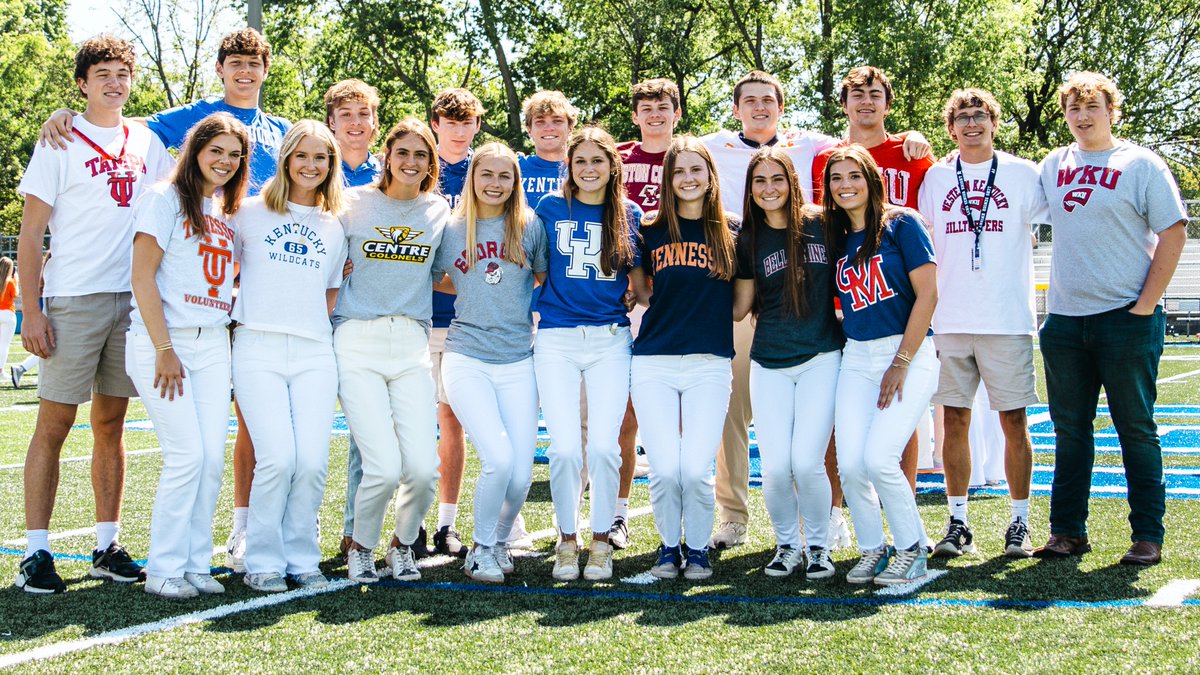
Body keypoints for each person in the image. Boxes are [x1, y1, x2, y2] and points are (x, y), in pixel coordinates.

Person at [41, 28, 294, 572]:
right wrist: (64, 113)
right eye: (236, 63)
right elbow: (114, 123)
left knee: (231, 435)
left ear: (265, 71)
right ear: (221, 69)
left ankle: (222, 542)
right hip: (153, 305)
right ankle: (112, 556)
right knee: (181, 449)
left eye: (255, 63)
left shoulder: (281, 131)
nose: (245, 71)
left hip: (236, 296)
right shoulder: (179, 127)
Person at [702, 69, 931, 549]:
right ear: (736, 107)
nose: (760, 108)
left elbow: (862, 144)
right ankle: (733, 516)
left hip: (819, 314)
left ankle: (829, 521)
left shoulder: (813, 147)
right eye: (751, 101)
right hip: (756, 302)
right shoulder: (710, 146)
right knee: (734, 417)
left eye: (769, 99)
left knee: (829, 438)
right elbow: (662, 150)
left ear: (781, 107)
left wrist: (913, 138)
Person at [14, 35, 173, 594]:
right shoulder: (60, 139)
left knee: (111, 424)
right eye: (102, 72)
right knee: (54, 426)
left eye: (122, 73)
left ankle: (107, 545)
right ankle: (35, 552)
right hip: (73, 297)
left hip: (130, 299)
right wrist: (31, 311)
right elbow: (31, 234)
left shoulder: (147, 141)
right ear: (83, 82)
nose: (114, 81)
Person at [1035, 72, 1187, 566]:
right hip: (1064, 321)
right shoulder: (1054, 163)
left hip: (1126, 318)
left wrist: (1145, 304)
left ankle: (1147, 534)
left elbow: (1174, 232)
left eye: (1092, 107)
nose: (1082, 116)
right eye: (1073, 109)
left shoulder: (1140, 163)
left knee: (1135, 429)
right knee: (1070, 430)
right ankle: (1067, 532)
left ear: (1111, 111)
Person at [917, 87, 1048, 558]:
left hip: (1007, 318)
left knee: (1014, 420)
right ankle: (958, 522)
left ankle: (1019, 522)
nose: (972, 124)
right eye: (963, 118)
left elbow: (1062, 221)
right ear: (951, 128)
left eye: (980, 116)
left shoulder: (1023, 174)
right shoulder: (934, 177)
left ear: (994, 123)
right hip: (951, 317)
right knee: (954, 420)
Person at [811, 65, 937, 546]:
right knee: (848, 449)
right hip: (854, 341)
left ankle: (909, 536)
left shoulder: (910, 168)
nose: (866, 101)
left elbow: (929, 288)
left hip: (904, 329)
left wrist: (904, 358)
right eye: (856, 94)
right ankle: (857, 533)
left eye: (875, 93)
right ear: (843, 104)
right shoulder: (833, 217)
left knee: (890, 445)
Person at [127, 113, 250, 598]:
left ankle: (197, 564)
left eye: (234, 154)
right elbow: (141, 277)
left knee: (211, 462)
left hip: (214, 341)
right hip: (166, 341)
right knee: (186, 456)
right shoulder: (163, 197)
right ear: (196, 149)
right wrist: (163, 348)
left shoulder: (223, 209)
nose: (224, 160)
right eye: (216, 149)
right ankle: (163, 569)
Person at [232, 121, 347, 592]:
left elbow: (331, 293)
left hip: (314, 351)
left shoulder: (335, 224)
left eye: (321, 158)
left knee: (313, 460)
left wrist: (306, 326)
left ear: (331, 166)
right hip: (257, 345)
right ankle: (261, 558)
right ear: (285, 159)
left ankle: (302, 557)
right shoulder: (249, 213)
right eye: (302, 155)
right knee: (277, 458)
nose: (311, 165)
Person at [336, 118, 449, 584]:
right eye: (402, 152)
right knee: (381, 466)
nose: (411, 162)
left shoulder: (438, 209)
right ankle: (359, 546)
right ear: (386, 154)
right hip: (357, 338)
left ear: (431, 163)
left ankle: (401, 545)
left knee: (423, 469)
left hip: (410, 342)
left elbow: (445, 274)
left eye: (421, 155)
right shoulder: (352, 203)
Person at [433, 142, 548, 583]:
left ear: (515, 181)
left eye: (505, 176)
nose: (495, 184)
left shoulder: (529, 225)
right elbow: (436, 277)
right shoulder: (454, 226)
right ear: (473, 178)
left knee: (520, 473)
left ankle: (499, 540)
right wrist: (470, 287)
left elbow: (540, 278)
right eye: (487, 175)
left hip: (519, 357)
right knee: (498, 459)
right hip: (466, 356)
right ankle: (480, 549)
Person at [825, 145, 938, 585]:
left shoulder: (901, 223)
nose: (845, 184)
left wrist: (901, 361)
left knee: (880, 458)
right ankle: (873, 548)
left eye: (854, 175)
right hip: (856, 354)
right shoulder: (835, 235)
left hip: (908, 352)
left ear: (872, 179)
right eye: (836, 178)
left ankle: (912, 549)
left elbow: (927, 295)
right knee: (850, 465)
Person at [629, 135, 737, 581]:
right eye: (679, 171)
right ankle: (668, 547)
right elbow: (640, 291)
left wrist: (705, 317)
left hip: (710, 362)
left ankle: (698, 549)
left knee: (694, 469)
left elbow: (742, 300)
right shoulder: (650, 229)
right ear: (667, 179)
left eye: (697, 169)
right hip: (653, 359)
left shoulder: (731, 229)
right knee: (664, 468)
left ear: (710, 176)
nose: (688, 178)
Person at [732, 148, 843, 580]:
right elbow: (740, 308)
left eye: (777, 178)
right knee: (776, 466)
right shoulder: (748, 239)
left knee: (808, 462)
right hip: (770, 359)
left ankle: (818, 545)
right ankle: (786, 545)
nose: (769, 188)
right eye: (759, 181)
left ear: (792, 181)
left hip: (821, 355)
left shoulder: (821, 223)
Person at [536, 127, 641, 581]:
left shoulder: (629, 212)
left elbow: (638, 280)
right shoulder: (549, 208)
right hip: (556, 338)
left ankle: (600, 541)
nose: (589, 169)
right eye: (580, 161)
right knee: (562, 450)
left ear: (612, 166)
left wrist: (635, 296)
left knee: (602, 446)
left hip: (609, 339)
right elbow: (537, 268)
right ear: (569, 167)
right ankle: (566, 540)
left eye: (598, 160)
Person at [609, 77, 683, 549]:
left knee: (676, 412)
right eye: (646, 107)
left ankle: (680, 514)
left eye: (663, 106)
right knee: (625, 412)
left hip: (676, 292)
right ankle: (617, 514)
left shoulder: (691, 155)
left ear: (676, 113)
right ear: (635, 115)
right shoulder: (616, 156)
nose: (655, 114)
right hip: (624, 293)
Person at [322, 78, 384, 560]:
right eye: (346, 115)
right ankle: (286, 535)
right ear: (331, 122)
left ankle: (358, 531)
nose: (356, 123)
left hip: (374, 314)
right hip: (319, 312)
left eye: (364, 114)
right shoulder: (317, 166)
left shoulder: (393, 172)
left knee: (370, 435)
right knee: (309, 432)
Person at [426, 87, 487, 558]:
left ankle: (448, 523)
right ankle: (403, 525)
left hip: (469, 315)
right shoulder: (417, 163)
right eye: (450, 121)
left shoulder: (485, 171)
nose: (458, 129)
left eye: (466, 121)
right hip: (417, 311)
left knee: (454, 420)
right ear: (435, 124)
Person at [0, 257, 15, 375]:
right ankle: (1, 370)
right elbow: (15, 295)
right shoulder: (10, 281)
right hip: (8, 313)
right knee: (4, 344)